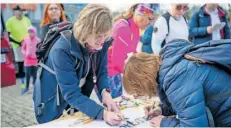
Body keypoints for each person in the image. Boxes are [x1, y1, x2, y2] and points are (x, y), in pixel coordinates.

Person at [33, 4, 123, 126]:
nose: (102, 41)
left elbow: (101, 71)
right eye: (98, 35)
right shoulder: (62, 49)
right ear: (85, 30)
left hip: (77, 93)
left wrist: (105, 93)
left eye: (105, 36)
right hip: (52, 97)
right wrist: (104, 114)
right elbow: (71, 93)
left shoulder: (101, 41)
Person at [123, 39, 231, 127]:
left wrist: (163, 123)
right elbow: (187, 102)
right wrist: (162, 109)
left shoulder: (176, 78)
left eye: (138, 91)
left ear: (144, 82)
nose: (141, 95)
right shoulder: (170, 64)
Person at [107, 3, 160, 98]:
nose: (150, 23)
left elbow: (133, 52)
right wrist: (136, 78)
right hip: (109, 72)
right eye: (150, 19)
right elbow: (117, 61)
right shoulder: (123, 27)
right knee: (115, 104)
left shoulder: (135, 28)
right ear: (140, 15)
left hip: (117, 70)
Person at [6, 5, 32, 78]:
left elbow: (31, 31)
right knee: (20, 62)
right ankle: (21, 77)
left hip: (27, 44)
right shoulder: (10, 21)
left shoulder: (27, 19)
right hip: (17, 45)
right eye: (19, 10)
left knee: (29, 61)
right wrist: (18, 42)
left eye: (22, 11)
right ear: (14, 11)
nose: (21, 12)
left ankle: (29, 76)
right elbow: (7, 35)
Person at [21, 26, 41, 95]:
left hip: (35, 61)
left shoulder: (38, 40)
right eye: (29, 32)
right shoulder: (26, 39)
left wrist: (37, 55)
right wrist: (25, 53)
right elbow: (23, 49)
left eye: (31, 32)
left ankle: (36, 88)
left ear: (34, 32)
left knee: (35, 75)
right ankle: (26, 88)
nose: (30, 33)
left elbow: (40, 49)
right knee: (27, 75)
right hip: (27, 61)